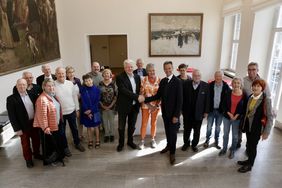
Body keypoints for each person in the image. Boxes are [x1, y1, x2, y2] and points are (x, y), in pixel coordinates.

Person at [145, 61, 183, 165]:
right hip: (165, 112)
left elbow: (180, 100)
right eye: (166, 68)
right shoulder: (163, 81)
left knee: (173, 133)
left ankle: (173, 153)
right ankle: (168, 145)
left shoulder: (177, 82)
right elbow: (158, 96)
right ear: (164, 69)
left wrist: (176, 115)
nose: (167, 70)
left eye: (169, 68)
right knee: (167, 131)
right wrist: (145, 99)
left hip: (174, 114)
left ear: (172, 68)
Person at [237, 79, 273, 173]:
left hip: (257, 128)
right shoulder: (250, 97)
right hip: (248, 126)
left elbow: (270, 117)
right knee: (249, 145)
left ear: (262, 88)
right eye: (254, 86)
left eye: (258, 86)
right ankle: (248, 160)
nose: (255, 87)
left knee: (253, 146)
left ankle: (250, 165)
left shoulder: (266, 100)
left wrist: (266, 132)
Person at [6, 79, 41, 168]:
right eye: (20, 85)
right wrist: (17, 129)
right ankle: (28, 159)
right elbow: (12, 116)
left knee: (36, 140)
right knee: (25, 144)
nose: (22, 86)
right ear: (16, 86)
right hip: (22, 125)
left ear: (26, 86)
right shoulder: (11, 99)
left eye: (23, 85)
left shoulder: (32, 94)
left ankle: (36, 154)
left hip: (34, 122)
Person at [238, 62, 271, 149]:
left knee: (252, 135)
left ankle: (249, 149)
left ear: (257, 70)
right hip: (245, 110)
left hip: (256, 113)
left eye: (253, 69)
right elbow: (239, 93)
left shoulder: (263, 83)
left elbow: (268, 98)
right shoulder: (244, 80)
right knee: (242, 128)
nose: (251, 71)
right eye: (249, 69)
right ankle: (239, 142)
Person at [33, 79, 65, 166]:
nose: (51, 87)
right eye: (49, 86)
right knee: (50, 145)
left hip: (56, 123)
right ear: (44, 87)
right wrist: (45, 127)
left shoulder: (52, 95)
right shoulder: (42, 99)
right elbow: (41, 115)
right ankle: (51, 161)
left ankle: (57, 158)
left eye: (52, 85)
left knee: (57, 143)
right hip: (49, 127)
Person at [54, 67, 85, 156]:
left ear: (65, 74)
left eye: (63, 73)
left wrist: (77, 109)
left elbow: (75, 97)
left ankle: (77, 143)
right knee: (62, 131)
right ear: (56, 75)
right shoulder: (53, 85)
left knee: (74, 129)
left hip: (71, 110)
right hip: (60, 113)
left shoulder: (70, 83)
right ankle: (65, 147)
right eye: (59, 73)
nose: (61, 75)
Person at [116, 59, 143, 152]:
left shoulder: (137, 77)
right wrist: (137, 97)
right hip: (123, 106)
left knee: (132, 126)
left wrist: (140, 98)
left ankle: (130, 142)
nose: (129, 68)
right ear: (124, 68)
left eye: (131, 66)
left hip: (134, 106)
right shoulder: (119, 77)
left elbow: (139, 89)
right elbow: (124, 90)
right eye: (127, 67)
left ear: (133, 67)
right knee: (121, 127)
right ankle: (121, 143)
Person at [182, 69, 209, 152]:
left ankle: (194, 145)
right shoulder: (186, 84)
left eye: (198, 76)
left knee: (197, 131)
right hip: (187, 113)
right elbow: (182, 98)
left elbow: (207, 100)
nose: (197, 77)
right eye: (195, 75)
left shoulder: (205, 85)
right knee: (186, 130)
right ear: (192, 76)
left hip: (199, 113)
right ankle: (186, 143)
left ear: (200, 76)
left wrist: (206, 111)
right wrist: (182, 110)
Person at [219, 78, 245, 159]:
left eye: (238, 83)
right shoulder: (228, 92)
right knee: (225, 134)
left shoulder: (244, 95)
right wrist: (229, 114)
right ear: (232, 84)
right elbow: (223, 105)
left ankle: (233, 150)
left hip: (237, 119)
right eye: (234, 83)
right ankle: (224, 149)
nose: (236, 85)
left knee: (235, 136)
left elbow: (244, 108)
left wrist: (236, 115)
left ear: (241, 84)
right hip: (227, 117)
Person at [203, 71, 230, 149]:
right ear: (214, 77)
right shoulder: (210, 85)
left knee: (218, 127)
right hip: (211, 110)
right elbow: (207, 99)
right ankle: (207, 140)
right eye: (217, 76)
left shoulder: (226, 86)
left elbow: (228, 100)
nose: (218, 78)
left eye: (220, 76)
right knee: (209, 127)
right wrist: (206, 111)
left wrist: (225, 110)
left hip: (220, 111)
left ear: (222, 77)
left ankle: (216, 141)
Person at [138, 63, 161, 150]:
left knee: (153, 123)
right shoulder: (143, 80)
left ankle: (153, 139)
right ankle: (142, 140)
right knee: (144, 123)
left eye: (153, 70)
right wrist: (149, 105)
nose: (152, 72)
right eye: (150, 71)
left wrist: (156, 105)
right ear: (147, 71)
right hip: (145, 105)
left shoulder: (159, 80)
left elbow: (161, 94)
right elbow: (141, 94)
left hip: (156, 106)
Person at [80, 74, 101, 149]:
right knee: (88, 127)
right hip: (86, 111)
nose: (88, 82)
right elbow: (83, 101)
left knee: (96, 127)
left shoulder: (97, 89)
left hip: (95, 111)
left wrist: (90, 111)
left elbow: (97, 102)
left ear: (92, 80)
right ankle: (90, 140)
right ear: (84, 82)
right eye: (86, 81)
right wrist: (86, 111)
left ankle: (98, 140)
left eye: (89, 80)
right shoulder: (83, 89)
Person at [99, 69, 117, 143]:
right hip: (102, 106)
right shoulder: (100, 83)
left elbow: (116, 95)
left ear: (110, 75)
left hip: (112, 106)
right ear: (103, 75)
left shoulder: (113, 83)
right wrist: (102, 105)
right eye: (105, 73)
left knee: (112, 121)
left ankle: (112, 134)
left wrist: (111, 105)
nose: (106, 75)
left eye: (108, 73)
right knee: (105, 121)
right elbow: (98, 96)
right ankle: (106, 135)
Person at [65, 66, 84, 140]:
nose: (71, 74)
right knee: (72, 122)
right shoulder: (65, 82)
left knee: (80, 120)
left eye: (72, 72)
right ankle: (74, 136)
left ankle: (80, 134)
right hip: (70, 104)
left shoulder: (77, 80)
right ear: (66, 74)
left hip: (78, 103)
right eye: (69, 72)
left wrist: (80, 95)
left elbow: (81, 90)